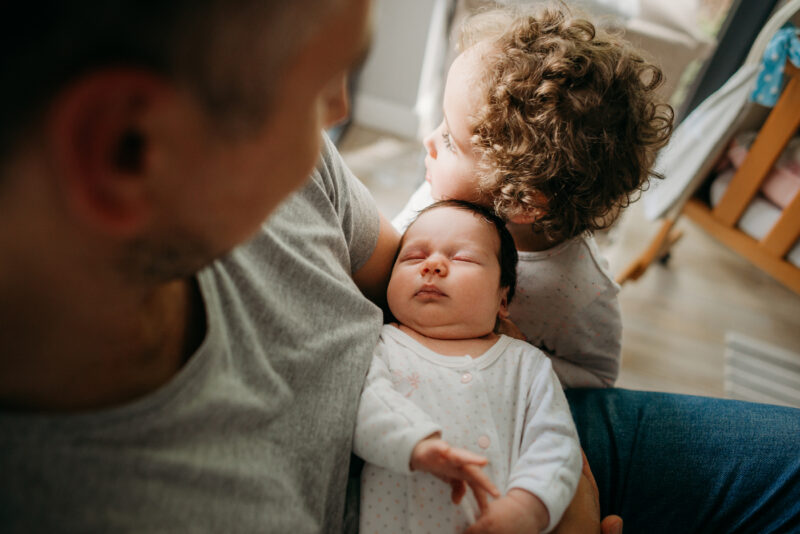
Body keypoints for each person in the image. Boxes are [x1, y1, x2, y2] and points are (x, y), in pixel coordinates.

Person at [0, 1, 797, 533]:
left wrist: (556, 456)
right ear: (127, 150)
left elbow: (417, 269)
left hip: (509, 400)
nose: (341, 113)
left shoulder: (294, 184)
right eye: (313, 86)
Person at [394, 4, 675, 389]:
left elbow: (599, 378)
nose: (429, 140)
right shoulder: (434, 201)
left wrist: (511, 350)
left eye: (450, 141)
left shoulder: (579, 290)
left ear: (523, 201)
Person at [354, 200, 582, 533]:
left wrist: (529, 505)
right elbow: (364, 403)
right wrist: (416, 442)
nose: (432, 265)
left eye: (461, 258)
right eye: (413, 257)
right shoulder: (383, 344)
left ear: (502, 300)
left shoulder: (527, 365)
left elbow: (556, 441)